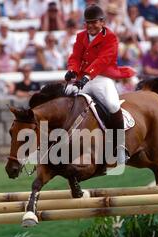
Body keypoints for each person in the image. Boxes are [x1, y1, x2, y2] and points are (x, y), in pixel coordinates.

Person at [64, 4, 136, 166]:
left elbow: (103, 60)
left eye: (94, 22)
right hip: (82, 78)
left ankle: (119, 147)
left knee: (112, 105)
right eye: (88, 23)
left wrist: (88, 75)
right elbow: (75, 56)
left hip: (102, 77)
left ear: (102, 22)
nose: (90, 26)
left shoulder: (110, 37)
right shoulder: (80, 36)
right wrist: (72, 71)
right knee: (64, 98)